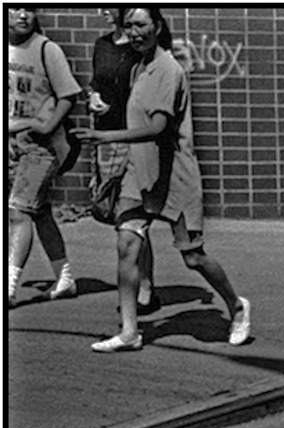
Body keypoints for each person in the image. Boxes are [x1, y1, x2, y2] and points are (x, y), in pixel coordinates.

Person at [77, 7, 250, 353]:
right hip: (138, 172)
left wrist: (107, 138)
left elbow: (157, 128)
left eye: (141, 24)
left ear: (157, 26)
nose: (134, 32)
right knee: (127, 245)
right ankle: (129, 331)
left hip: (174, 177)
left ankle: (237, 306)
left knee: (193, 256)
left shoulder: (168, 69)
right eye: (129, 25)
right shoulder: (138, 66)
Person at [7, 6, 81, 308]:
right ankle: (64, 278)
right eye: (15, 8)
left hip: (40, 145)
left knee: (18, 211)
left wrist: (47, 125)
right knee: (39, 211)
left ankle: (7, 287)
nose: (23, 15)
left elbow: (68, 95)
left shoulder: (46, 49)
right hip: (9, 142)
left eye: (30, 9)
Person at [88, 6, 157, 312]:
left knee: (130, 215)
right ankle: (141, 283)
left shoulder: (142, 47)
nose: (102, 9)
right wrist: (93, 97)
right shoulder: (102, 44)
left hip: (132, 136)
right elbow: (98, 81)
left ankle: (145, 287)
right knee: (112, 210)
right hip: (105, 135)